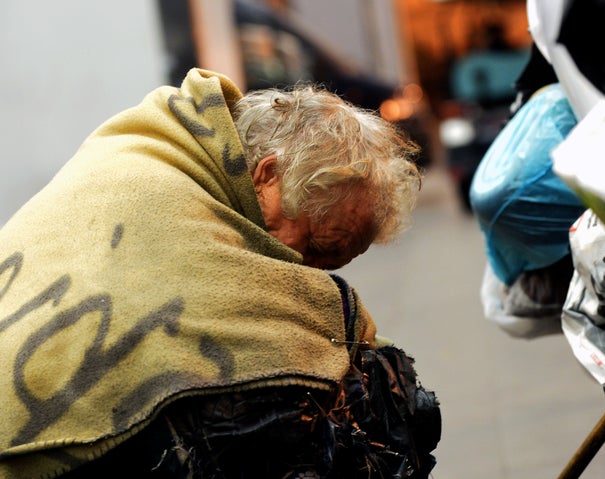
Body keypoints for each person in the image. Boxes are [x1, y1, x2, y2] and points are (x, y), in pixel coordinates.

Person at [0, 68, 440, 478]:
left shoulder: (173, 150)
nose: (313, 274)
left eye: (333, 265)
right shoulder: (159, 192)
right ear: (269, 175)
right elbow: (307, 319)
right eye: (315, 248)